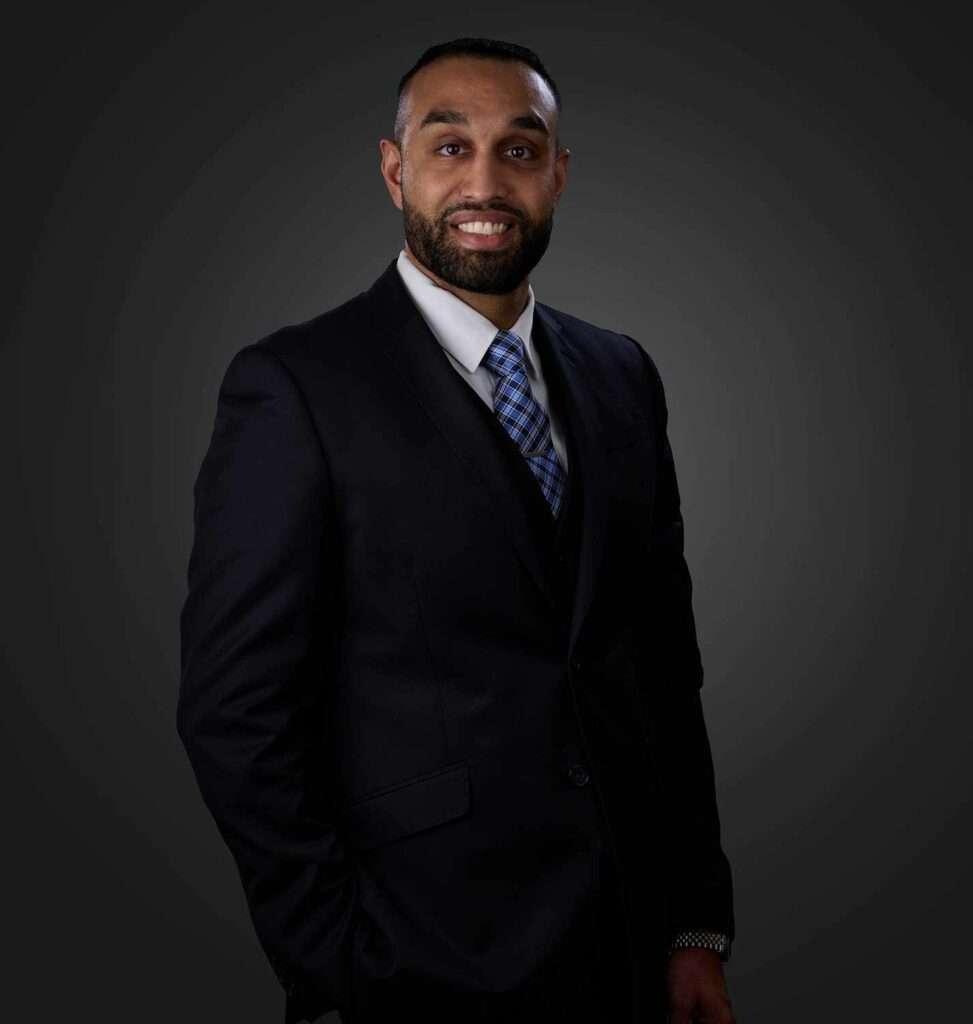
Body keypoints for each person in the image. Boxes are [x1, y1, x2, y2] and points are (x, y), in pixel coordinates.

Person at [177, 36, 736, 1024]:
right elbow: (237, 710)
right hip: (415, 958)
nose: (485, 181)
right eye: (448, 148)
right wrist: (335, 964)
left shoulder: (620, 375)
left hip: (630, 947)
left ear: (557, 174)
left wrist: (694, 923)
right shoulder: (297, 387)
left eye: (519, 151)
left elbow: (659, 664)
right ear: (394, 172)